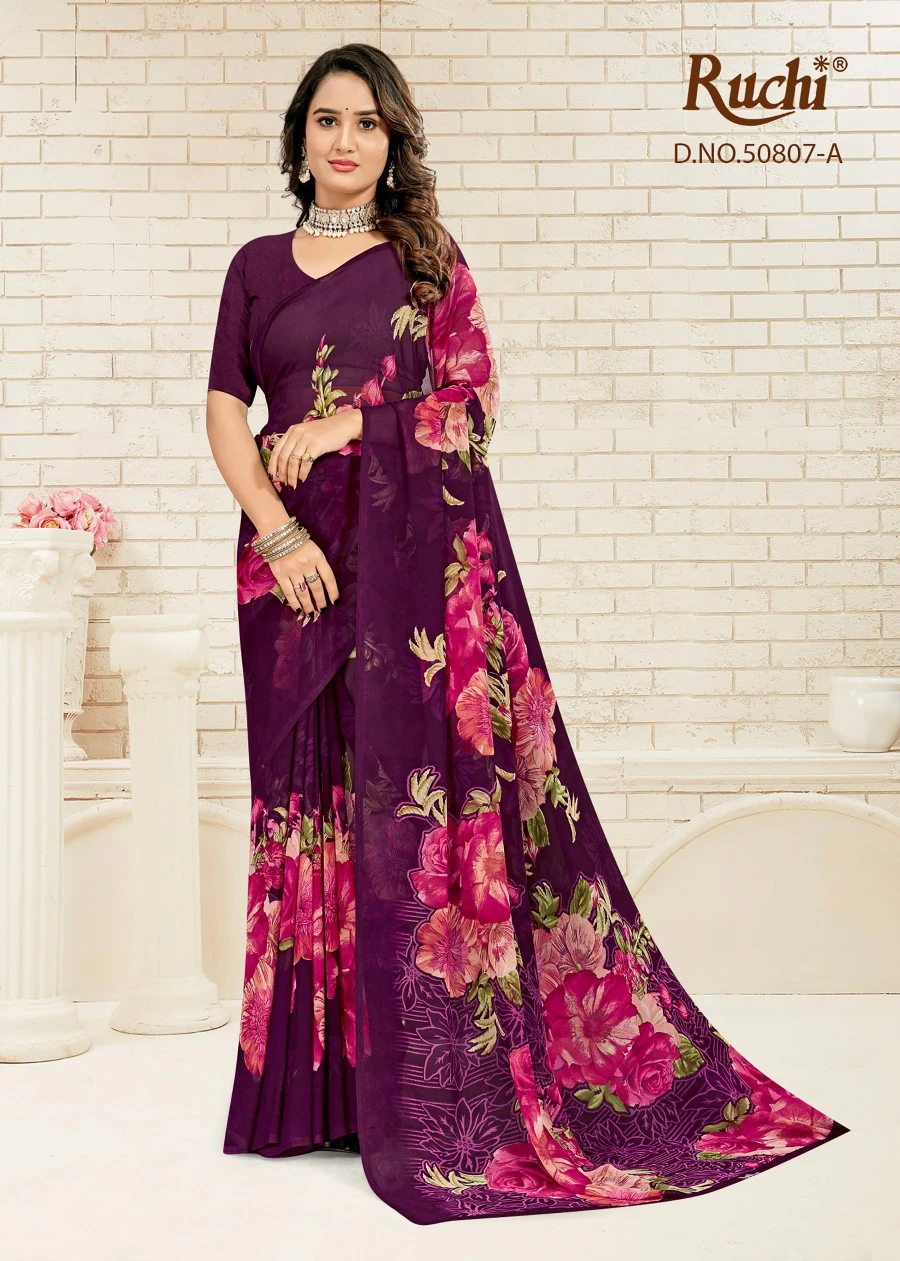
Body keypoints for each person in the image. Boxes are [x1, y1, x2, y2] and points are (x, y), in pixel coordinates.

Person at [205, 42, 849, 1227]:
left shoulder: (427, 261)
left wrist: (350, 427)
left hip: (412, 577)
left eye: (367, 123)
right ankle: (316, 1093)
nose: (345, 141)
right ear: (298, 139)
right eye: (327, 120)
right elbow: (223, 412)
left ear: (393, 143)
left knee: (411, 813)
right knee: (308, 807)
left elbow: (472, 409)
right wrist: (280, 535)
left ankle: (430, 1090)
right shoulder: (253, 268)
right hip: (293, 575)